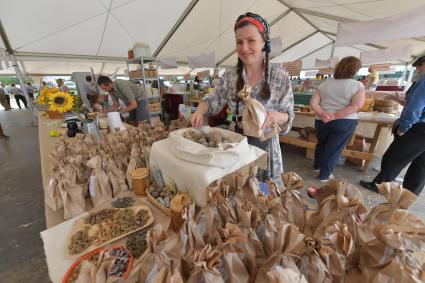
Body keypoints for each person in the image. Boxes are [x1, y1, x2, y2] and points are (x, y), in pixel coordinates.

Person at [190, 12, 294, 187]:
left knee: (264, 194)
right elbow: (213, 99)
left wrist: (277, 116)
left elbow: (288, 116)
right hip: (235, 143)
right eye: (239, 42)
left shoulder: (279, 76)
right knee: (237, 192)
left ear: (264, 42)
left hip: (265, 146)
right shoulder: (230, 75)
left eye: (251, 40)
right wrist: (200, 109)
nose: (244, 48)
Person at [360, 54, 425, 195]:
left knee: (394, 156)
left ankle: (380, 185)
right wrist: (400, 100)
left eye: (419, 67)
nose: (418, 70)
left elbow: (415, 108)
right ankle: (409, 195)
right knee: (421, 164)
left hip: (419, 128)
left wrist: (403, 127)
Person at [309, 56, 365, 182]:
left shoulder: (324, 84)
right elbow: (356, 106)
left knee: (321, 144)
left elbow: (313, 103)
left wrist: (323, 114)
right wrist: (335, 116)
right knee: (334, 149)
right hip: (344, 121)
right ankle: (324, 175)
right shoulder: (357, 85)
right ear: (355, 70)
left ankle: (317, 166)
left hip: (322, 121)